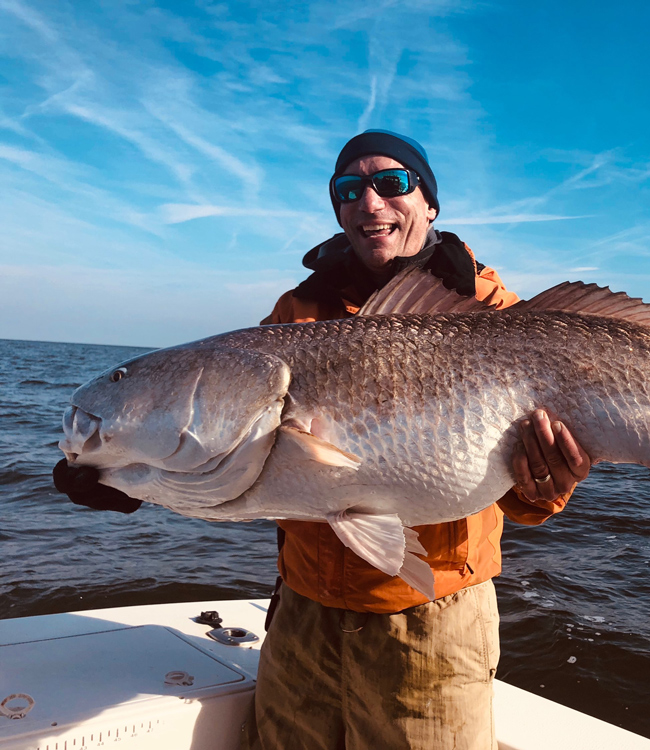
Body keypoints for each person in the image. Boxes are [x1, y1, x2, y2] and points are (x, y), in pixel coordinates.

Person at [53, 129, 592, 750]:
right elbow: (229, 439)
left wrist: (547, 484)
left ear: (430, 202)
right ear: (337, 207)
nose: (370, 202)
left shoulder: (494, 313)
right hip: (303, 610)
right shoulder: (296, 312)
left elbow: (524, 500)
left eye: (392, 183)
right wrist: (122, 477)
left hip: (430, 618)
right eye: (349, 188)